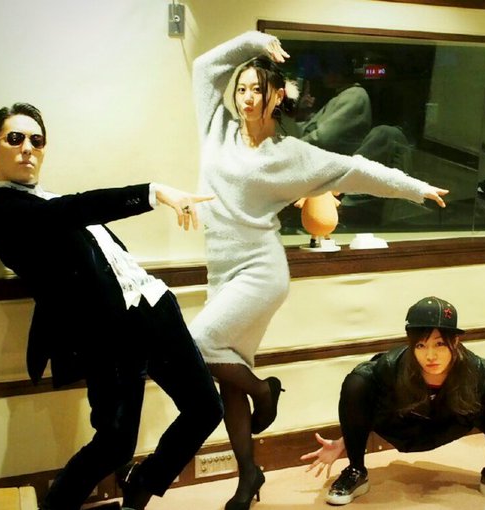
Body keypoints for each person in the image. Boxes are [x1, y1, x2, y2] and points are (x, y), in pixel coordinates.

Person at [189, 31, 449, 510]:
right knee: (228, 376)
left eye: (258, 89)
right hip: (221, 271)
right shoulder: (216, 127)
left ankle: (265, 392)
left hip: (260, 269)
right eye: (241, 88)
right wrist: (253, 43)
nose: (247, 98)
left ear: (277, 96)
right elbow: (205, 67)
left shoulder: (293, 154)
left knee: (198, 344)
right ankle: (248, 475)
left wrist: (414, 187)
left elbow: (358, 169)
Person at [0, 103, 223, 510]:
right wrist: (154, 192)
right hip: (109, 335)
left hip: (154, 305)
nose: (28, 148)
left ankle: (142, 483)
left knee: (206, 409)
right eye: (15, 139)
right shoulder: (2, 213)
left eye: (37, 140)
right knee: (115, 443)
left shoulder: (51, 200)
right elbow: (73, 210)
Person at [301, 296, 485, 506]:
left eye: (439, 344)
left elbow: (481, 413)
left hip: (446, 423)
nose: (430, 355)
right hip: (401, 425)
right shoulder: (391, 366)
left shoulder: (476, 370)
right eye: (421, 345)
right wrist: (345, 442)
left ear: (455, 341)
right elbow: (370, 408)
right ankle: (356, 471)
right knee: (356, 382)